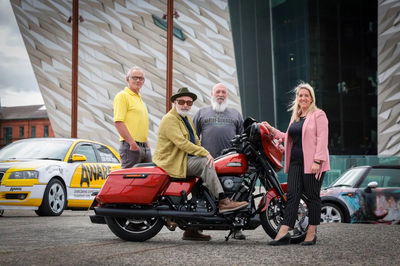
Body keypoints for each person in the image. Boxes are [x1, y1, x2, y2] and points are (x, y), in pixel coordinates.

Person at [153, 87, 248, 241]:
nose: (185, 105)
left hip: (185, 159)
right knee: (205, 163)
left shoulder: (187, 119)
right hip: (173, 161)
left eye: (189, 102)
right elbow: (181, 143)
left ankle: (192, 230)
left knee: (201, 190)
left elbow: (196, 140)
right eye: (182, 102)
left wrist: (204, 151)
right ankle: (224, 201)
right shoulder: (169, 119)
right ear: (175, 102)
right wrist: (205, 153)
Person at [263, 82, 330, 246]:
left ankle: (311, 233)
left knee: (313, 197)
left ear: (311, 98)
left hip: (312, 163)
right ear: (297, 98)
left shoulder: (318, 115)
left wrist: (317, 160)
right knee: (292, 196)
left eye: (306, 95)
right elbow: (288, 138)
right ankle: (284, 232)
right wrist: (272, 130)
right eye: (301, 95)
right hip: (295, 163)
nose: (303, 98)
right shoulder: (296, 117)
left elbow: (322, 139)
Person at [193, 83, 246, 240]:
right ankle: (194, 229)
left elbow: (242, 138)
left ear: (227, 95)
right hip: (206, 162)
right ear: (212, 94)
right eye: (218, 92)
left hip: (231, 162)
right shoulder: (201, 113)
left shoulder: (236, 114)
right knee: (200, 195)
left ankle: (237, 228)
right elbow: (193, 137)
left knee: (236, 192)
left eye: (224, 92)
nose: (221, 94)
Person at [113, 66, 152, 168]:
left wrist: (146, 144)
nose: (138, 80)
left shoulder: (140, 99)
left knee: (145, 182)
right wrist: (132, 143)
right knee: (129, 181)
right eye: (134, 77)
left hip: (144, 148)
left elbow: (140, 124)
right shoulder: (122, 96)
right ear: (127, 79)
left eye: (141, 78)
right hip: (131, 147)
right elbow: (118, 122)